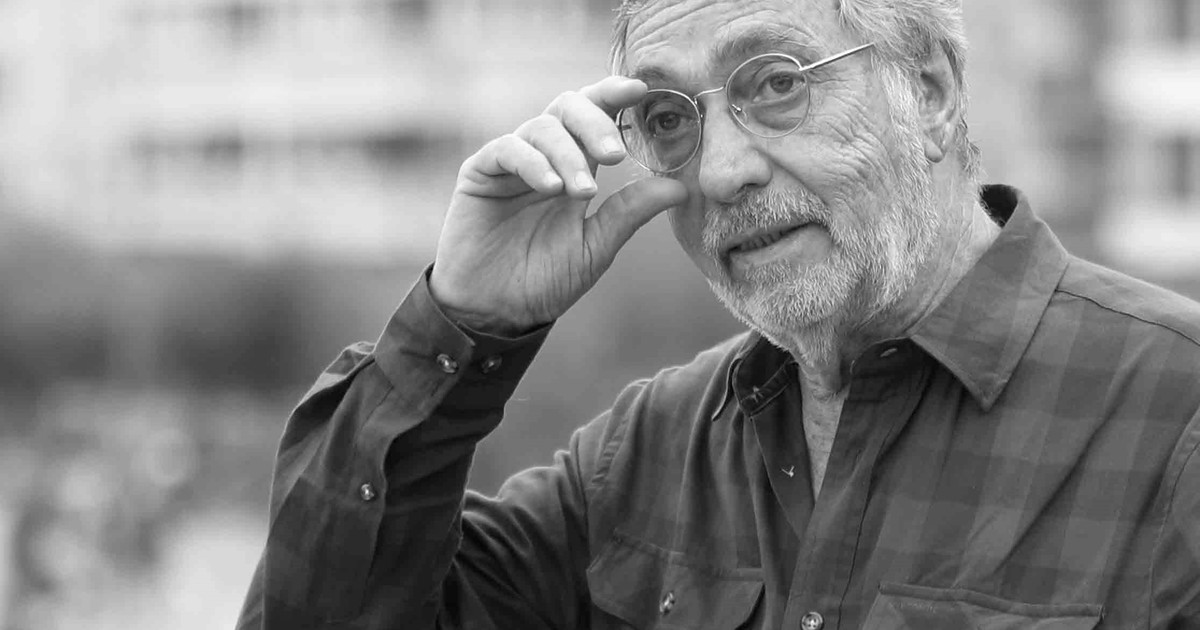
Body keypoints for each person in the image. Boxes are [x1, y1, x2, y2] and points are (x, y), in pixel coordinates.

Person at [236, 0, 1200, 628]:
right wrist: (461, 319)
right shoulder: (649, 453)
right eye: (670, 119)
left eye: (778, 84)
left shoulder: (1175, 418)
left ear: (931, 93)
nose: (723, 170)